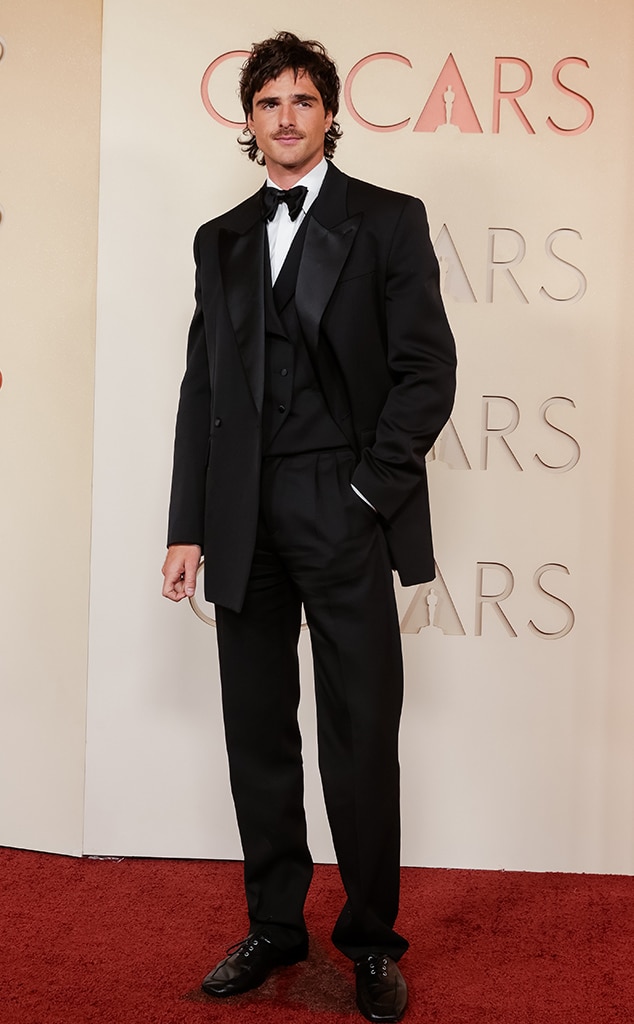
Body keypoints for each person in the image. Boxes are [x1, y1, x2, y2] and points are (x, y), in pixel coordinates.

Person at [162, 31, 456, 1024]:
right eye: (268, 102)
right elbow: (204, 389)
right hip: (241, 514)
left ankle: (370, 942)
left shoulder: (387, 220)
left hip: (343, 505)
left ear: (329, 113)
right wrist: (187, 524)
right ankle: (275, 924)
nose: (285, 117)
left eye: (302, 100)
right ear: (248, 120)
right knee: (257, 733)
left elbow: (427, 371)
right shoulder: (219, 238)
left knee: (360, 735)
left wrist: (368, 494)